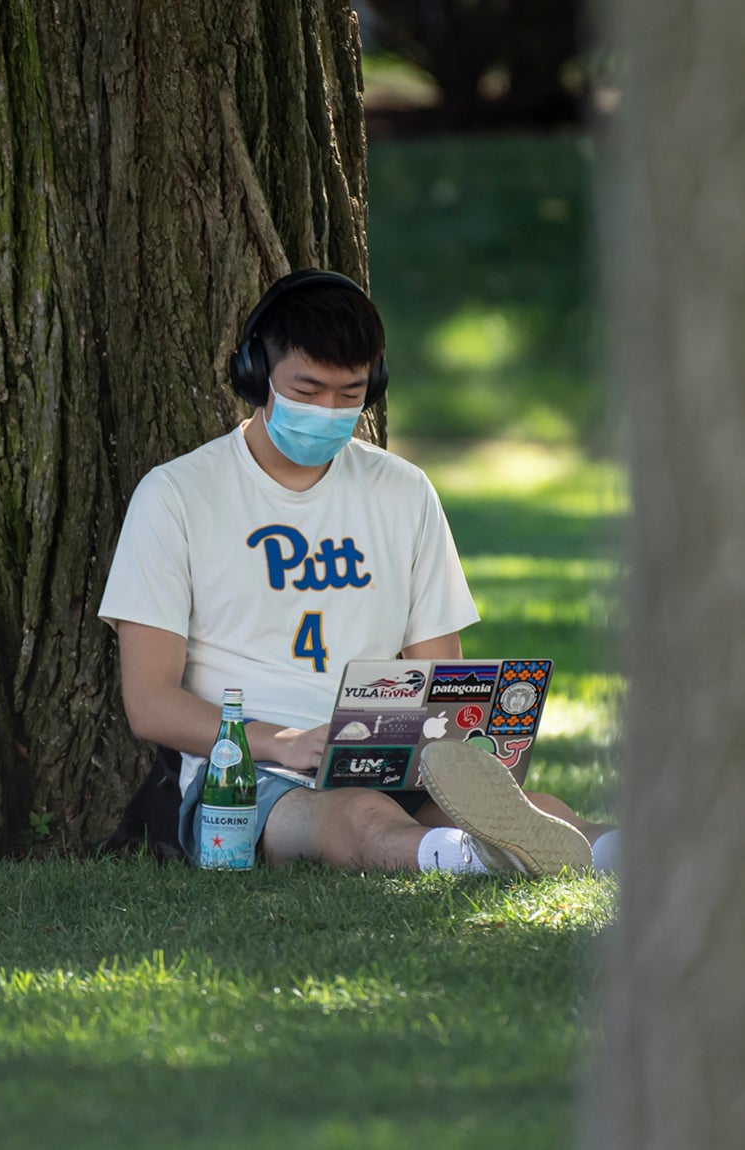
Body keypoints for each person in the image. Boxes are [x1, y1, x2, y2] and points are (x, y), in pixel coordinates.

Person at [97, 269, 619, 876]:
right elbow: (150, 703)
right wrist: (283, 742)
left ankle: (640, 856)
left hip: (388, 757)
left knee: (540, 807)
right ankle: (479, 859)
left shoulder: (403, 491)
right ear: (254, 372)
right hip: (249, 773)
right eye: (308, 390)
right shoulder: (177, 495)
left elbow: (440, 677)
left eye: (349, 395)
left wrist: (447, 745)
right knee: (360, 817)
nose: (328, 411)